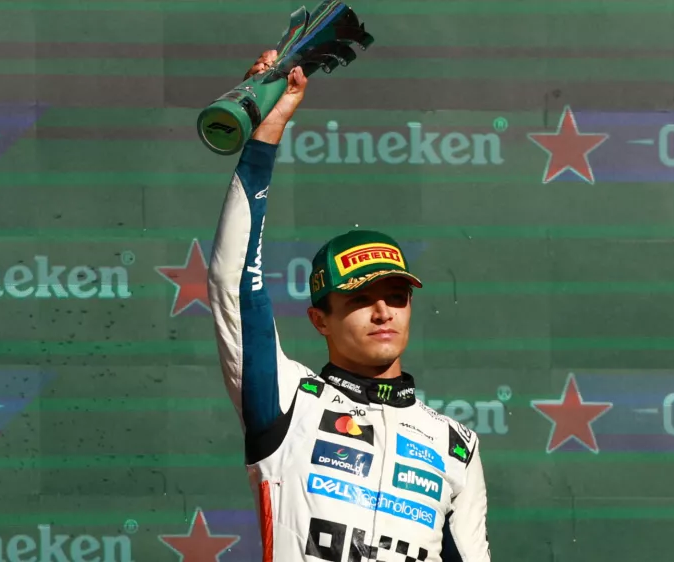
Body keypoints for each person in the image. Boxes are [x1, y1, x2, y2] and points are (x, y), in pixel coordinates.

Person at [208, 49, 492, 562]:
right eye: (360, 300)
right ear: (321, 320)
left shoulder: (456, 444)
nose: (384, 312)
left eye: (397, 297)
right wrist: (265, 134)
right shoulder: (288, 400)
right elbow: (233, 284)